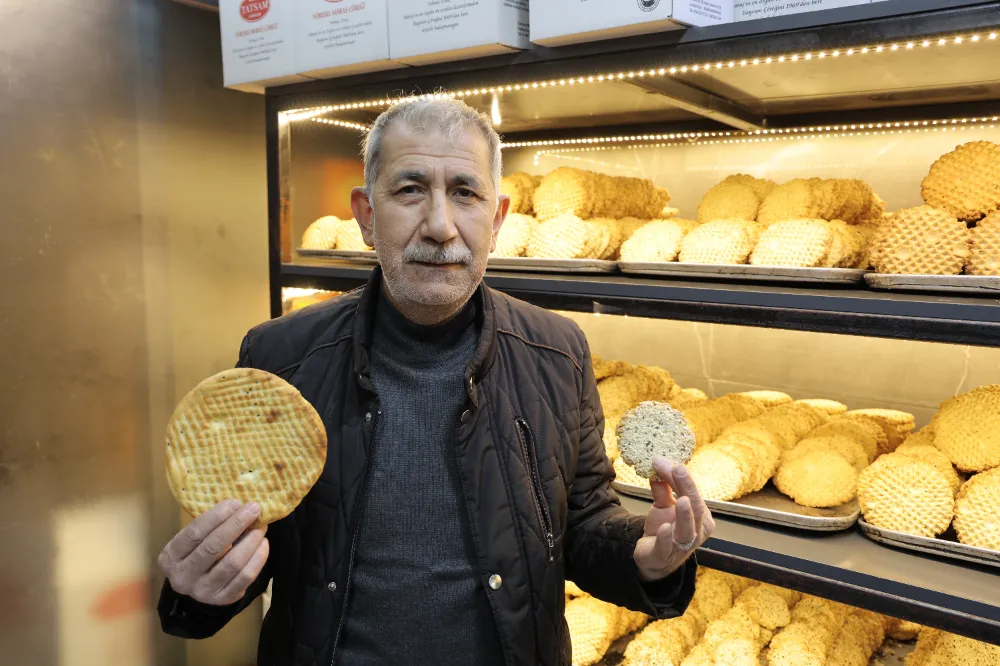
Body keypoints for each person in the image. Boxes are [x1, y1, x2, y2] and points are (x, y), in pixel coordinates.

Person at [156, 98, 715, 666]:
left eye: (466, 193)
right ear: (366, 214)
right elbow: (253, 543)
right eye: (410, 190)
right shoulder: (281, 356)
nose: (441, 226)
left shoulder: (556, 353)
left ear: (495, 220)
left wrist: (645, 557)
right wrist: (196, 593)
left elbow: (583, 525)